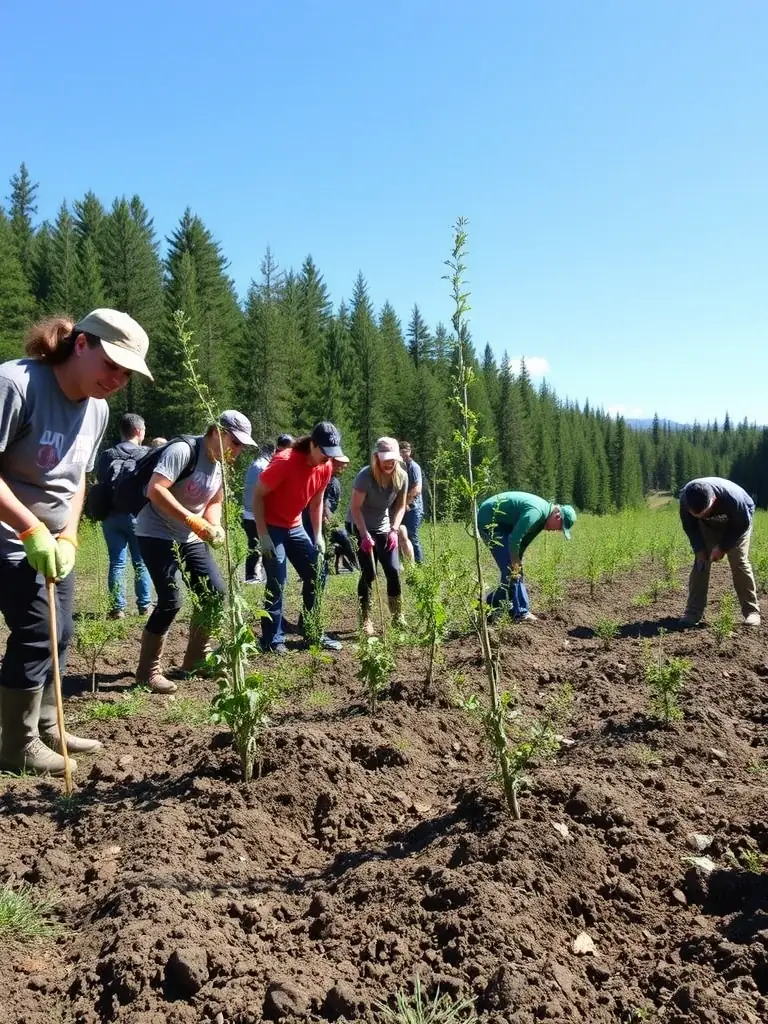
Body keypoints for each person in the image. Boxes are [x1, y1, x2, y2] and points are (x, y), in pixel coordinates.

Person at [0, 309, 153, 775]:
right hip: (8, 533)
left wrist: (67, 534)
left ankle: (48, 723)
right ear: (82, 344)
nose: (117, 379)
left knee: (61, 632)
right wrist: (30, 529)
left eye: (127, 373)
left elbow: (78, 479)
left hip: (52, 537)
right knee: (34, 633)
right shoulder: (16, 384)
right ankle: (16, 743)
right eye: (112, 364)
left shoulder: (98, 408)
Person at [134, 411, 257, 693]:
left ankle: (196, 659)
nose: (237, 450)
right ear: (216, 431)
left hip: (191, 536)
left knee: (215, 593)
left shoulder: (221, 464)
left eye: (241, 445)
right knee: (170, 600)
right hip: (156, 532)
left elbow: (215, 499)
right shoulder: (182, 451)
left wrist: (213, 526)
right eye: (235, 442)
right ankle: (148, 672)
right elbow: (156, 490)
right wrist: (191, 519)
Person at [253, 422, 345, 655]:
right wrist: (263, 535)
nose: (328, 458)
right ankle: (272, 640)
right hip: (273, 527)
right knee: (277, 579)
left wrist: (317, 536)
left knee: (317, 571)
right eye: (324, 452)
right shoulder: (285, 461)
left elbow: (316, 502)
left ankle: (311, 629)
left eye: (332, 454)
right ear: (312, 444)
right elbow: (257, 496)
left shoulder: (325, 466)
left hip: (295, 526)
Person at [477, 491, 577, 621]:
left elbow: (523, 543)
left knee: (515, 570)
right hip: (490, 520)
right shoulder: (536, 512)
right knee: (511, 569)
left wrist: (517, 561)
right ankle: (521, 613)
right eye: (560, 528)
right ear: (557, 516)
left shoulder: (541, 520)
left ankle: (489, 606)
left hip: (503, 524)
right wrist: (515, 563)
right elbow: (515, 539)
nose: (556, 531)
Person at [679, 477, 761, 627]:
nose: (702, 515)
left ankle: (751, 612)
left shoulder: (734, 499)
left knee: (739, 562)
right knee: (700, 563)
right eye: (697, 515)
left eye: (705, 512)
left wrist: (722, 547)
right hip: (708, 526)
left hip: (738, 524)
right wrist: (699, 549)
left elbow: (740, 526)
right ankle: (692, 612)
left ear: (714, 500)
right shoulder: (686, 499)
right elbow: (690, 527)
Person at [349, 437, 408, 634]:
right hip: (359, 524)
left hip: (384, 526)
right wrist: (364, 535)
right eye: (385, 459)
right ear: (376, 458)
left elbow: (400, 506)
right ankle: (365, 619)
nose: (389, 463)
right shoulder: (365, 476)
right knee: (369, 572)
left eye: (393, 459)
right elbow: (355, 508)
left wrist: (393, 529)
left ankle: (397, 616)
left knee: (392, 569)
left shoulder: (401, 477)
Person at [99, 412, 153, 619]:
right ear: (139, 431)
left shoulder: (107, 454)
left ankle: (117, 608)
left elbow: (101, 481)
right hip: (137, 516)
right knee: (140, 562)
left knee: (117, 563)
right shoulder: (146, 454)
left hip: (111, 516)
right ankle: (144, 605)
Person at [242, 442, 274, 584]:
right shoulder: (264, 467)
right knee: (258, 545)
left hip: (247, 511)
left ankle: (253, 574)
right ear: (271, 452)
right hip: (256, 512)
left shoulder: (253, 464)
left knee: (254, 544)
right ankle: (253, 575)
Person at [399, 441, 424, 564]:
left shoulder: (413, 467)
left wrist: (404, 503)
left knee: (412, 535)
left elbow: (417, 489)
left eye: (406, 451)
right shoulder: (398, 466)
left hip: (414, 507)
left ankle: (419, 565)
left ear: (410, 452)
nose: (404, 454)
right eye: (401, 451)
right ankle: (404, 563)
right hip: (402, 507)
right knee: (401, 535)